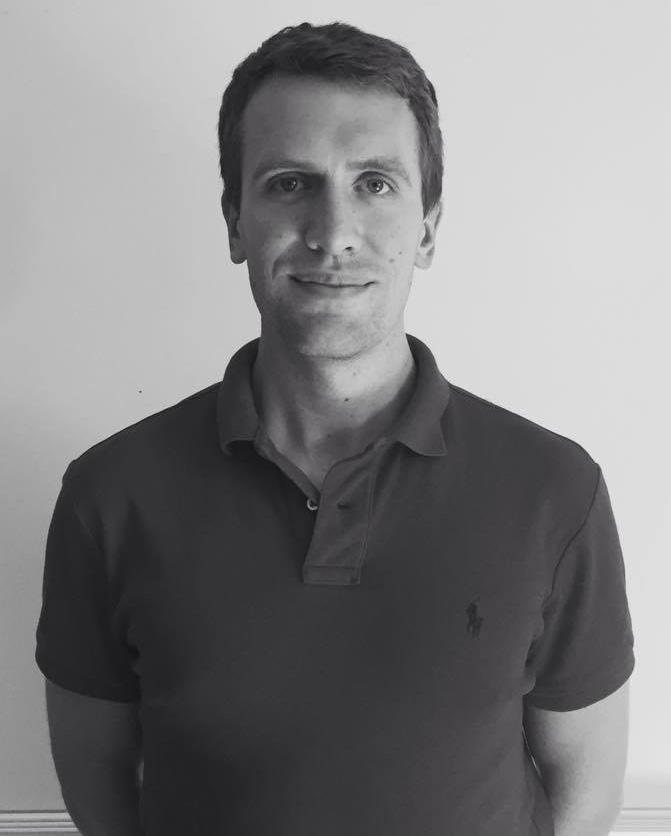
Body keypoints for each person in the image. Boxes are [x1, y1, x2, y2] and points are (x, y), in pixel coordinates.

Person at [36, 20, 635, 836]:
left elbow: (582, 792)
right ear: (234, 220)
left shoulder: (552, 489)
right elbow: (97, 775)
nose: (333, 232)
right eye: (289, 183)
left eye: (375, 184)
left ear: (427, 227)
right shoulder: (110, 494)